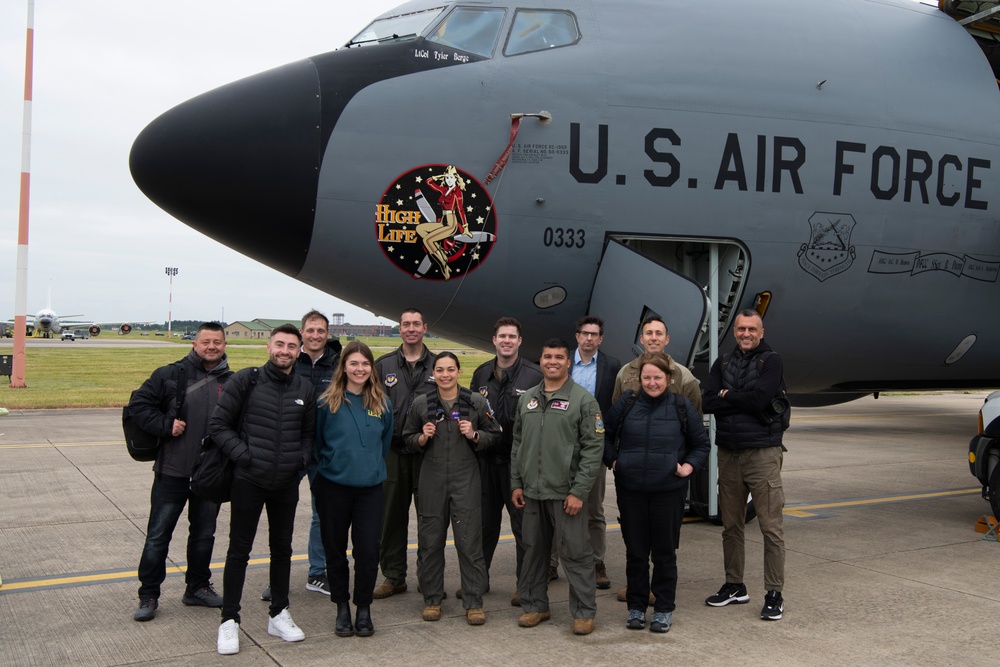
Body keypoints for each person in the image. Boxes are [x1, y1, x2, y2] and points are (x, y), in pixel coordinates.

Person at [210, 325, 316, 655]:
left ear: (299, 351)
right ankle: (229, 620)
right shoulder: (247, 380)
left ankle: (278, 613)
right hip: (249, 480)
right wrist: (245, 457)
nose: (285, 350)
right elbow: (218, 425)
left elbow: (309, 434)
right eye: (280, 344)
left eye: (292, 346)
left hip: (285, 482)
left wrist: (300, 461)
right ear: (269, 347)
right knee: (238, 551)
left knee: (282, 549)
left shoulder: (305, 388)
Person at [130, 322, 233, 622]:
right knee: (158, 536)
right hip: (172, 471)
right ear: (194, 344)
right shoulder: (169, 375)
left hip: (209, 476)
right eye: (206, 341)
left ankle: (197, 587)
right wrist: (165, 425)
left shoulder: (233, 381)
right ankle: (148, 593)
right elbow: (138, 404)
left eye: (217, 341)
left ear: (224, 345)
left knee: (204, 535)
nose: (211, 346)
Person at [603, 353, 709, 633]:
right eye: (647, 377)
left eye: (657, 378)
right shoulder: (626, 404)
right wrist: (614, 460)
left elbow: (701, 444)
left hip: (668, 493)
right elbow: (603, 435)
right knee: (636, 553)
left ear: (669, 379)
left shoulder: (682, 406)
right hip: (631, 491)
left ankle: (663, 609)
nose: (652, 383)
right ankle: (636, 607)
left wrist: (688, 468)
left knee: (664, 554)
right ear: (639, 379)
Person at [511, 338, 604, 636]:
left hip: (566, 494)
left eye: (559, 357)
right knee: (534, 552)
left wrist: (579, 492)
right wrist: (516, 483)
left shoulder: (583, 400)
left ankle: (584, 612)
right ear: (540, 361)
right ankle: (536, 606)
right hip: (533, 492)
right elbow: (518, 444)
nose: (552, 361)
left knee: (576, 554)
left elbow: (593, 450)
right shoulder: (527, 399)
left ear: (568, 362)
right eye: (547, 356)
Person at [701, 309, 787, 621]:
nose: (746, 334)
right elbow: (707, 401)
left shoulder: (771, 360)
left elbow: (760, 400)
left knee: (770, 527)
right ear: (734, 331)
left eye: (752, 329)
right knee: (731, 524)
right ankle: (735, 585)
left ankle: (774, 593)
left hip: (762, 454)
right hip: (728, 453)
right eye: (741, 329)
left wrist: (729, 394)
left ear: (761, 332)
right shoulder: (722, 362)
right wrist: (738, 396)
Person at [405, 352, 501, 625]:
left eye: (450, 369)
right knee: (431, 542)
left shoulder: (476, 402)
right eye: (440, 370)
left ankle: (473, 602)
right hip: (431, 480)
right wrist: (422, 438)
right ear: (433, 374)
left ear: (459, 372)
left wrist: (475, 435)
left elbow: (495, 434)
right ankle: (433, 600)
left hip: (465, 480)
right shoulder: (421, 404)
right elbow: (406, 438)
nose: (445, 375)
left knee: (469, 543)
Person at [611, 313, 702, 603]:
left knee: (664, 544)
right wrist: (616, 461)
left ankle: (660, 596)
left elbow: (694, 425)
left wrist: (685, 465)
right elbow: (615, 418)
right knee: (635, 541)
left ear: (667, 339)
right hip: (633, 474)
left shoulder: (684, 377)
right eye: (648, 333)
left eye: (658, 333)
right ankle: (638, 590)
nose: (653, 337)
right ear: (641, 338)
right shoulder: (625, 373)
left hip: (666, 476)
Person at [312, 341, 393, 638]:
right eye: (354, 363)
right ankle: (342, 607)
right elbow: (318, 444)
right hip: (333, 487)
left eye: (365, 364)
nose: (360, 369)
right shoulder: (327, 402)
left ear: (372, 368)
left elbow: (383, 444)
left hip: (369, 489)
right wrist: (336, 462)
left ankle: (363, 608)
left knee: (369, 551)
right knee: (335, 551)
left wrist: (368, 465)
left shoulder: (382, 403)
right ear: (343, 366)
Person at [260, 310, 342, 602]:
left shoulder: (339, 364)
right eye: (310, 330)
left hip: (323, 451)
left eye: (321, 331)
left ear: (327, 333)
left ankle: (317, 573)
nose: (316, 336)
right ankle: (276, 578)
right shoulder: (289, 360)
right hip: (289, 450)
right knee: (282, 515)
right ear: (302, 333)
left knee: (323, 514)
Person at [469, 316, 542, 606]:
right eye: (502, 336)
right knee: (484, 526)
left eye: (512, 336)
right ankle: (478, 579)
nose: (507, 341)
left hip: (518, 465)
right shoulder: (481, 374)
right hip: (486, 461)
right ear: (494, 340)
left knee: (523, 527)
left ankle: (523, 585)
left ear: (520, 341)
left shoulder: (533, 376)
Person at [373, 309, 438, 599]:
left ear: (425, 328)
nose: (411, 329)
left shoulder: (439, 365)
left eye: (416, 324)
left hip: (428, 453)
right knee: (391, 517)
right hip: (393, 452)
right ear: (399, 329)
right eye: (405, 325)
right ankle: (394, 576)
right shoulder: (384, 365)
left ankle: (428, 576)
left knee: (429, 518)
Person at [570, 315, 622, 591]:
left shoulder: (612, 366)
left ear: (601, 339)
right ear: (576, 336)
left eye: (594, 335)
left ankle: (596, 562)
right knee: (556, 506)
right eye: (584, 333)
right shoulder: (563, 362)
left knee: (594, 508)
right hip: (563, 446)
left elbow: (614, 408)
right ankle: (552, 562)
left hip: (594, 447)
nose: (589, 338)